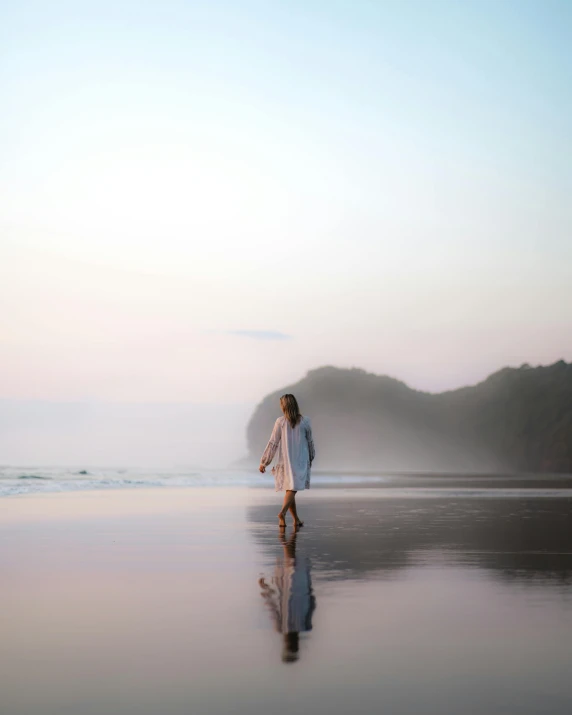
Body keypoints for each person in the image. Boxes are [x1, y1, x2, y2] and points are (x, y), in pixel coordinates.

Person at [258, 529, 316, 663]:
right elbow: (311, 605)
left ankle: (291, 532)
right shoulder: (299, 627)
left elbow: (312, 605)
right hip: (296, 587)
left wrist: (266, 589)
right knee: (290, 558)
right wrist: (265, 589)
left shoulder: (303, 627)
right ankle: (291, 532)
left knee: (290, 558)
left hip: (296, 587)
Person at [259, 394, 315, 528]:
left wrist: (264, 462)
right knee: (293, 488)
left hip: (286, 460)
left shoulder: (280, 422)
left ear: (284, 406)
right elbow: (310, 442)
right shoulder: (305, 421)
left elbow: (273, 442)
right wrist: (311, 456)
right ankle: (282, 513)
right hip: (300, 460)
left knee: (290, 488)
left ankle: (296, 519)